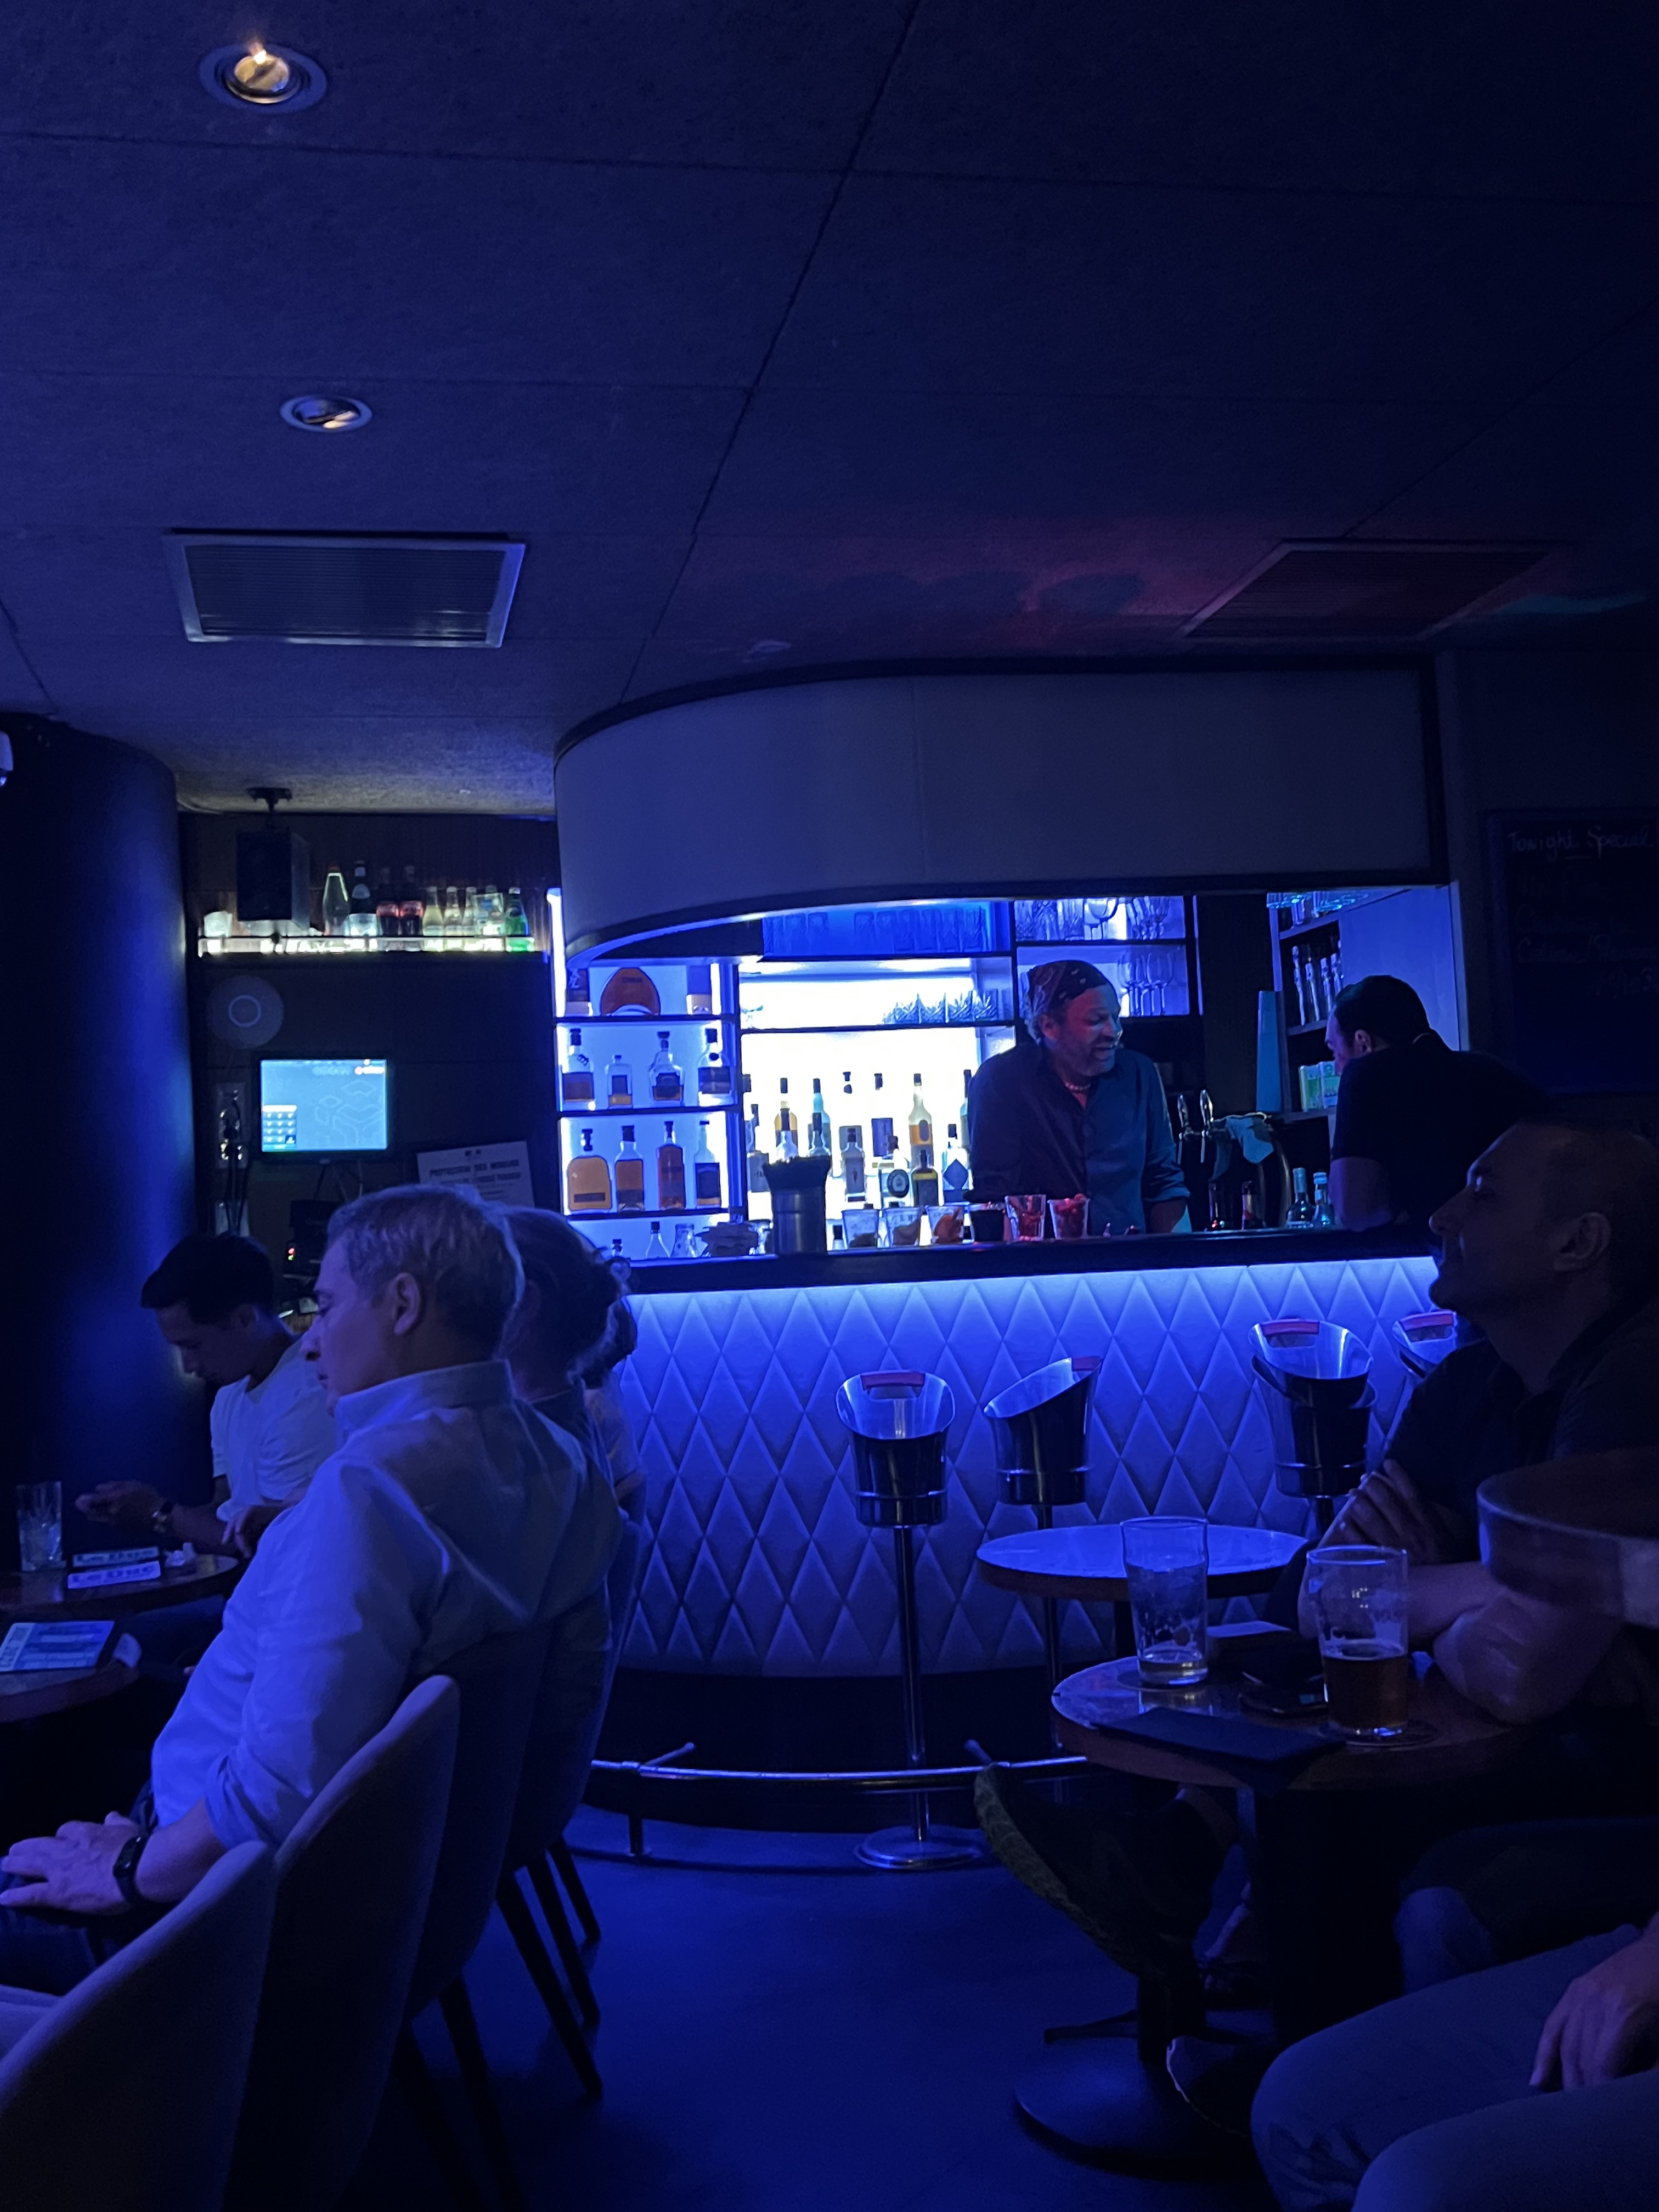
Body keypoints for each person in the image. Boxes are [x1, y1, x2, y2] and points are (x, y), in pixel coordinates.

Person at [974, 1124, 1659, 2035]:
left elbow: (1518, 1672)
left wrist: (1424, 1600)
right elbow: (1315, 1591)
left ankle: (1210, 1925)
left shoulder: (1634, 1381)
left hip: (1622, 1767)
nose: (1440, 1214)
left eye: (1483, 1194)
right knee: (1294, 1702)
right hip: (1545, 1732)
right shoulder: (1470, 1382)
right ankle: (1223, 1944)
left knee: (1325, 1781)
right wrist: (1504, 1595)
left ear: (1577, 1242)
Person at [0, 1184, 619, 1993]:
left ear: (402, 1304)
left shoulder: (370, 1491)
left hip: (211, 1910)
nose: (312, 1339)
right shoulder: (563, 1460)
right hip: (386, 1885)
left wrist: (127, 1869)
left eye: (326, 1308)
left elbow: (273, 1796)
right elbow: (566, 1698)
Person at [77, 1233, 336, 1559]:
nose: (188, 1366)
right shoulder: (229, 1395)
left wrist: (159, 1513)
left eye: (193, 1346)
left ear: (245, 1319)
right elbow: (224, 1512)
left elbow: (275, 1542)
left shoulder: (305, 1394)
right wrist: (142, 1513)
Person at [967, 960, 1189, 1234]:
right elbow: (994, 1196)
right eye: (1096, 1021)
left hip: (1131, 1257)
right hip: (1042, 1260)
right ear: (1049, 1026)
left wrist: (1178, 1256)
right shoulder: (1002, 1081)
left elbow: (1164, 1183)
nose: (1114, 1031)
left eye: (1115, 1017)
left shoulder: (1139, 1074)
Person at [1326, 974, 1544, 1237]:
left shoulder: (1365, 1073)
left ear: (1364, 1043)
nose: (1337, 1068)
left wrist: (1400, 1206)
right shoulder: (1497, 1072)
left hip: (1464, 1254)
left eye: (1335, 1051)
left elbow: (1355, 1212)